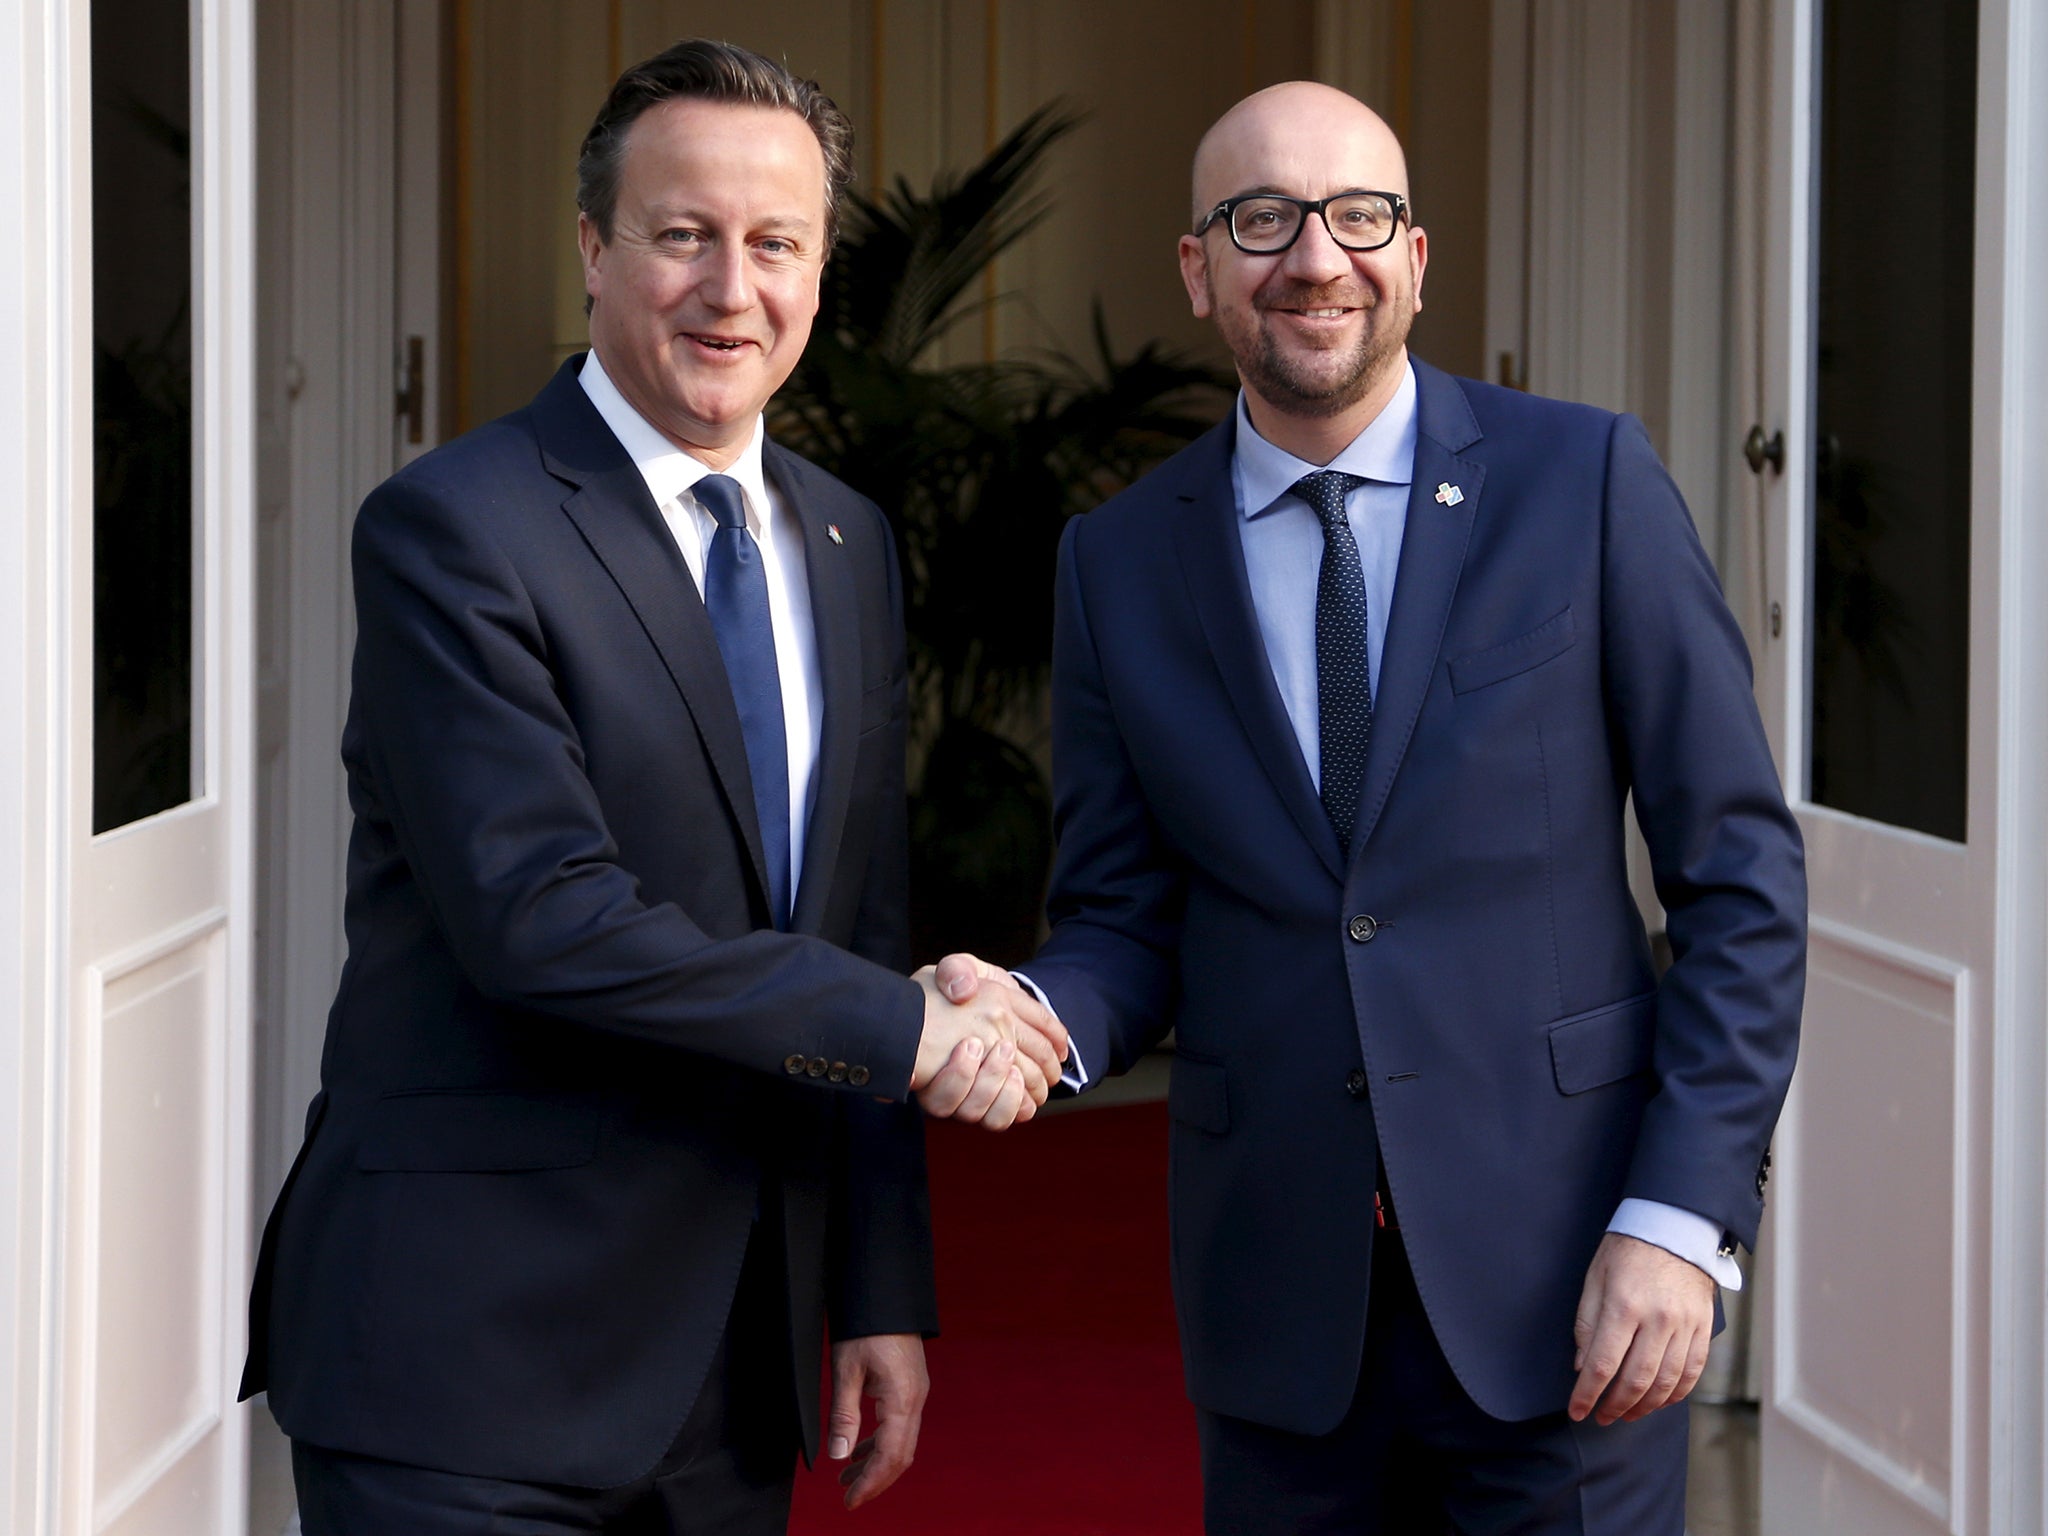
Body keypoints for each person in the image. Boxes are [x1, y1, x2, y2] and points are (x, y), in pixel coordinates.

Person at [240, 39, 1065, 1536]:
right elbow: (543, 918)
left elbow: (858, 919)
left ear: (819, 275)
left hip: (733, 1369)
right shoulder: (455, 529)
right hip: (469, 1362)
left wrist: (877, 1286)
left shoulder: (848, 544)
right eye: (683, 234)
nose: (730, 289)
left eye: (776, 245)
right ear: (594, 254)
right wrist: (915, 1035)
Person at [978, 81, 1805, 1531]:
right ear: (1198, 268)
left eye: (1359, 214)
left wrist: (1681, 1220)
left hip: (1574, 1298)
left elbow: (1739, 878)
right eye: (1262, 218)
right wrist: (1029, 1027)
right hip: (1283, 1322)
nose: (1315, 257)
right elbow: (1122, 917)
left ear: (1414, 255)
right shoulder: (1115, 564)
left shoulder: (1584, 480)